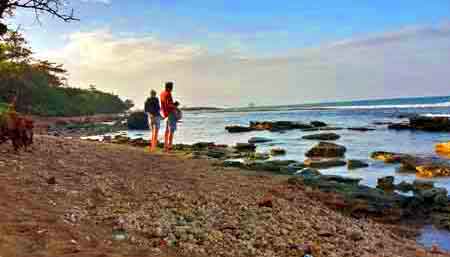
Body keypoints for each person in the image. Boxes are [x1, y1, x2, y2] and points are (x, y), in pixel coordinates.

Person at [160, 82, 177, 152]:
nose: (172, 89)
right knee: (171, 130)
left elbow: (164, 104)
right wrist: (175, 106)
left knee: (167, 130)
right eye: (172, 87)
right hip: (170, 113)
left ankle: (165, 145)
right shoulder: (168, 94)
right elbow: (169, 104)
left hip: (165, 113)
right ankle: (169, 146)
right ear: (170, 87)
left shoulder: (162, 94)